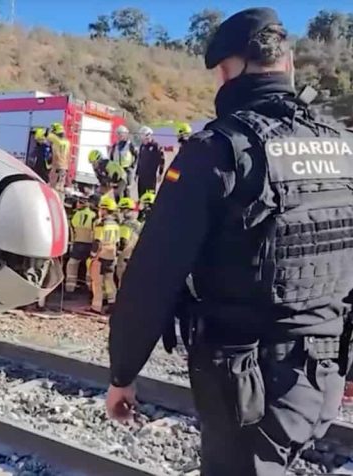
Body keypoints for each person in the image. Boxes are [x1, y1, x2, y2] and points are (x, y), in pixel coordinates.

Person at [106, 8, 353, 476]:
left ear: (228, 70)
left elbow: (154, 275)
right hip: (323, 377)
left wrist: (122, 374)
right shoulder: (343, 147)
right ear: (289, 63)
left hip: (248, 384)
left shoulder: (216, 150)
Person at [89, 195, 120, 314]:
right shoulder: (116, 225)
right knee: (109, 281)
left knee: (97, 282)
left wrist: (92, 255)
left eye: (101, 209)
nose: (100, 211)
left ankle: (96, 307)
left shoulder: (101, 224)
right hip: (111, 256)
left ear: (105, 210)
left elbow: (97, 241)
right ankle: (112, 304)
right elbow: (117, 242)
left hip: (100, 256)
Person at [64, 196, 97, 293]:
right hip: (90, 244)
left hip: (78, 243)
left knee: (72, 265)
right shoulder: (94, 215)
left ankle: (69, 288)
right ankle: (90, 290)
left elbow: (71, 230)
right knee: (89, 267)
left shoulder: (75, 214)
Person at [116, 197, 141, 287]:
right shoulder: (138, 224)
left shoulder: (126, 224)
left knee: (121, 279)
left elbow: (124, 241)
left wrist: (117, 253)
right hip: (133, 256)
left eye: (121, 210)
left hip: (124, 256)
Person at [108, 125, 138, 199]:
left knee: (126, 188)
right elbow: (111, 157)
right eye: (118, 134)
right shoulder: (115, 145)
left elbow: (136, 156)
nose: (120, 136)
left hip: (126, 169)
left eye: (121, 134)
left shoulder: (130, 145)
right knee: (116, 189)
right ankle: (118, 204)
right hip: (117, 170)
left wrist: (132, 166)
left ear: (126, 134)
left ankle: (126, 204)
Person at [135, 126, 165, 197]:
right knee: (141, 196)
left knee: (150, 196)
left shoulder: (156, 146)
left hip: (151, 176)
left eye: (144, 137)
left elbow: (162, 161)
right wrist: (137, 173)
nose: (142, 139)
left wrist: (160, 173)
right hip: (142, 176)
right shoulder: (142, 146)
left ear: (149, 136)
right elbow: (140, 160)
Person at [47, 122, 71, 196]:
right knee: (60, 188)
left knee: (53, 189)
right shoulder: (67, 142)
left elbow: (48, 136)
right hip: (64, 168)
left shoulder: (55, 141)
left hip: (56, 167)